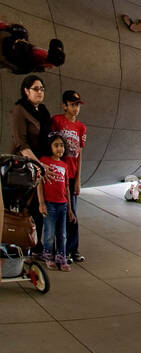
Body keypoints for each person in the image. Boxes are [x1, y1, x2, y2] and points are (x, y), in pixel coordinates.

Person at [9, 73, 53, 256]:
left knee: (38, 207)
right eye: (36, 89)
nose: (40, 92)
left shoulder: (42, 111)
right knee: (25, 207)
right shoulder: (20, 109)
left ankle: (36, 245)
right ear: (26, 91)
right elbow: (21, 143)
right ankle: (22, 244)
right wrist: (38, 165)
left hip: (40, 164)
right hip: (25, 165)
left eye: (42, 89)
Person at [50, 91, 87, 262]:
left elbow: (79, 154)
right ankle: (58, 249)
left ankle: (73, 249)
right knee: (57, 212)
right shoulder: (57, 121)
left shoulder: (81, 127)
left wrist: (78, 179)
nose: (75, 108)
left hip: (72, 176)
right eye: (72, 104)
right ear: (65, 105)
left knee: (73, 213)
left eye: (77, 105)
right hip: (58, 174)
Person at [38, 134, 75, 271]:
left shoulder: (65, 165)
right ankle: (48, 257)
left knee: (62, 234)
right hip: (49, 204)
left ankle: (61, 257)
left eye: (62, 145)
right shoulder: (44, 161)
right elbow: (39, 184)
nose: (60, 148)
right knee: (49, 233)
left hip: (63, 205)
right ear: (50, 147)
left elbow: (66, 188)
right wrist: (41, 203)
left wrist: (70, 209)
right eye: (56, 145)